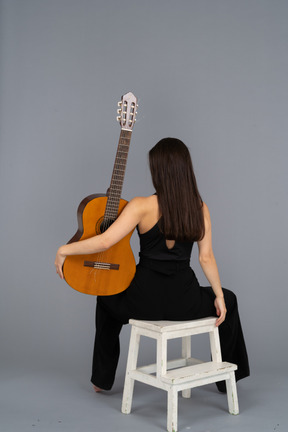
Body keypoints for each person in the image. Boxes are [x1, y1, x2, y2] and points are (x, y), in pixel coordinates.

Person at [55, 137, 249, 393]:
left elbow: (105, 241)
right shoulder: (199, 208)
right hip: (185, 301)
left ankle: (101, 380)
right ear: (185, 170)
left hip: (142, 301)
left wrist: (63, 250)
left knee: (105, 299)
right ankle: (228, 383)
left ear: (159, 171)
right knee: (231, 300)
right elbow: (206, 258)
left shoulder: (141, 205)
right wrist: (220, 296)